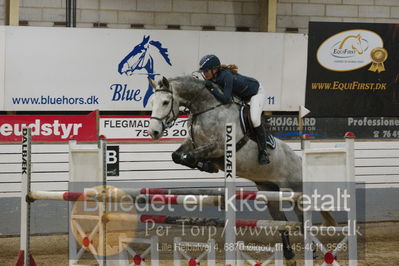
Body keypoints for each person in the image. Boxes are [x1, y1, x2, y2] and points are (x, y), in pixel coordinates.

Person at [198, 54, 270, 164]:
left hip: (256, 93)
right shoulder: (214, 77)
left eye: (206, 71)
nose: (204, 73)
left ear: (214, 69)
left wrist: (212, 89)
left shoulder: (225, 76)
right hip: (242, 97)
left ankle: (264, 152)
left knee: (255, 119)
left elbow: (225, 99)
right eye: (203, 71)